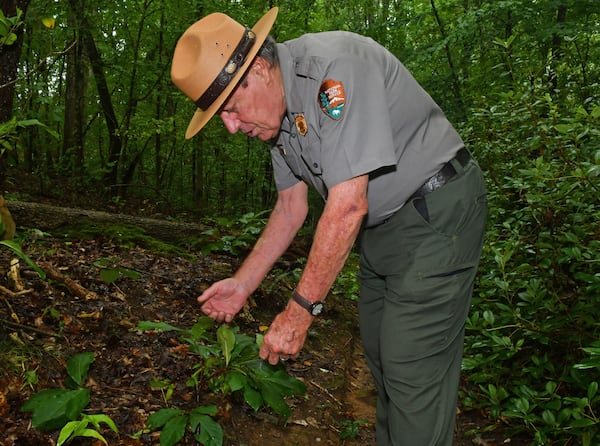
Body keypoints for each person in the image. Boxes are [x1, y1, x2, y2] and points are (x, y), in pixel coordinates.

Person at [171, 7, 487, 446]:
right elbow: (289, 210)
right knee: (380, 357)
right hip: (383, 228)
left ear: (258, 69)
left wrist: (300, 313)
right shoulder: (277, 119)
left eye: (230, 108)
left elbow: (347, 206)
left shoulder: (333, 72)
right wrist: (242, 284)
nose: (230, 126)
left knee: (409, 364)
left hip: (436, 208)